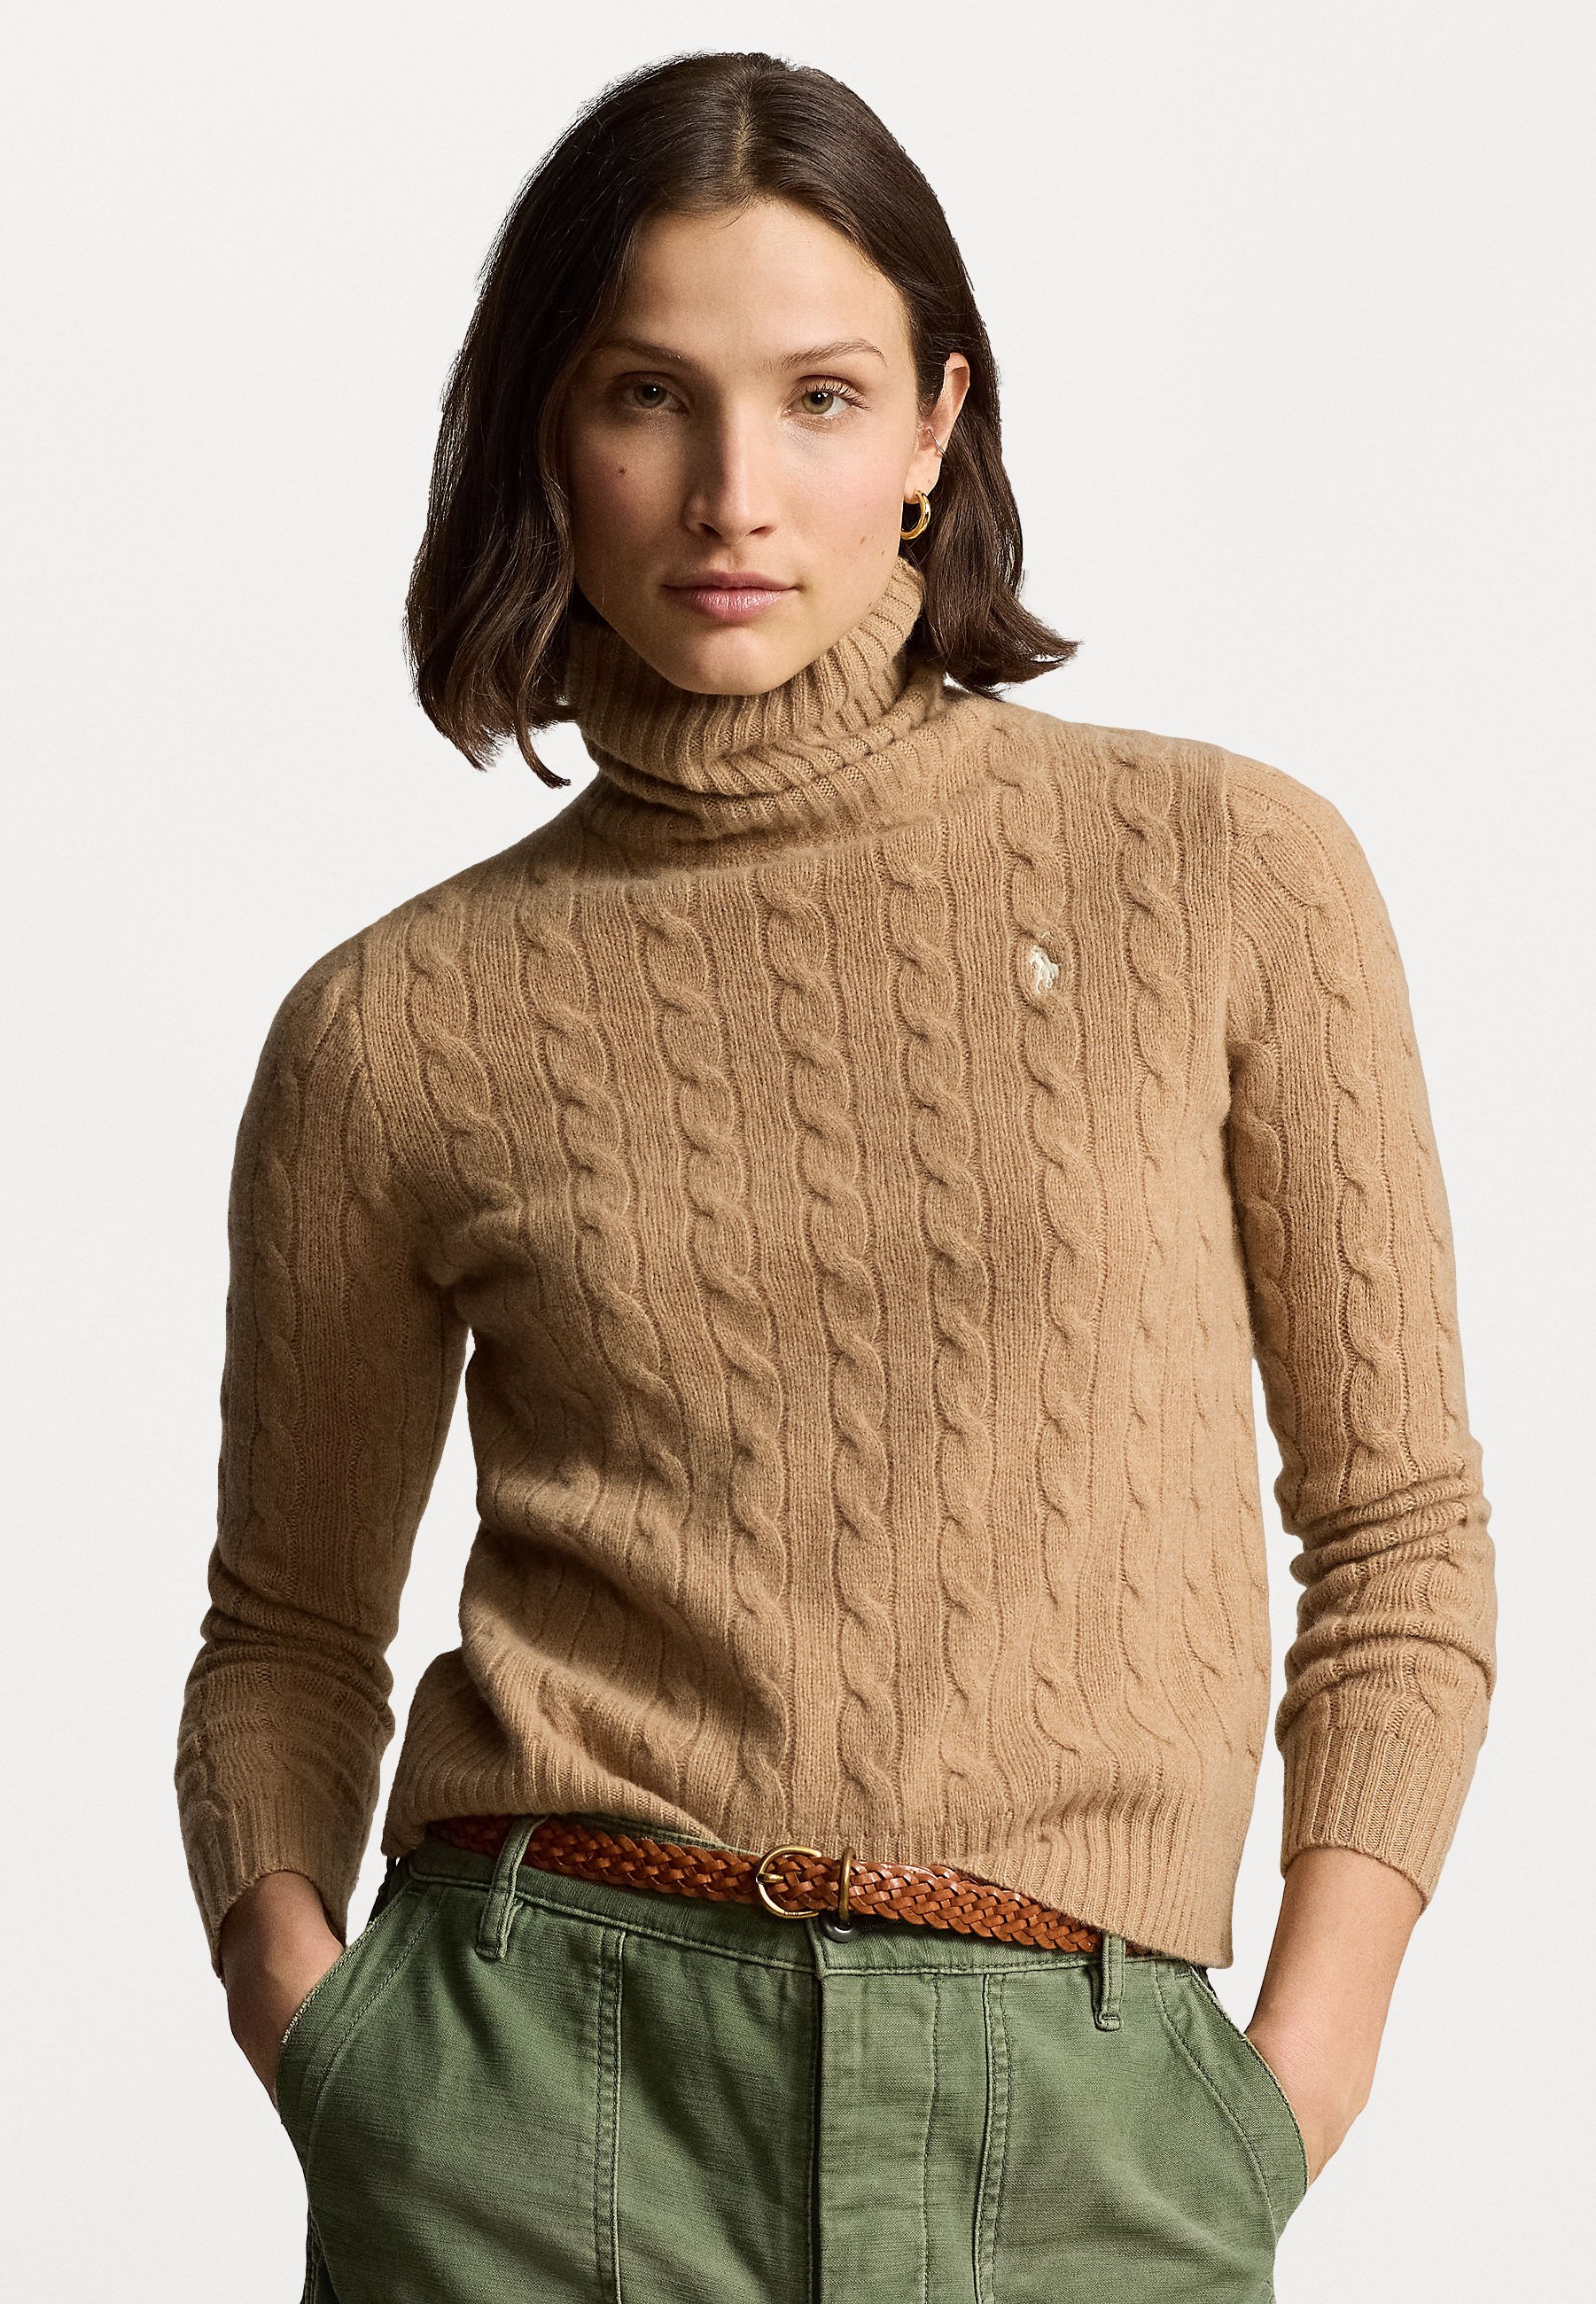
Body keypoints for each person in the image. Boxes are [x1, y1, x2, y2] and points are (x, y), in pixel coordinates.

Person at [175, 48, 1497, 2304]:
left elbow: (1398, 1536)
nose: (731, 495)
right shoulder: (394, 1022)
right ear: (547, 435)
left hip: (1080, 2119)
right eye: (646, 396)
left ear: (932, 430)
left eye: (815, 397)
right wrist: (325, 2036)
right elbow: (287, 1634)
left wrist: (1291, 2083)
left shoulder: (1226, 877)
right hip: (531, 2090)